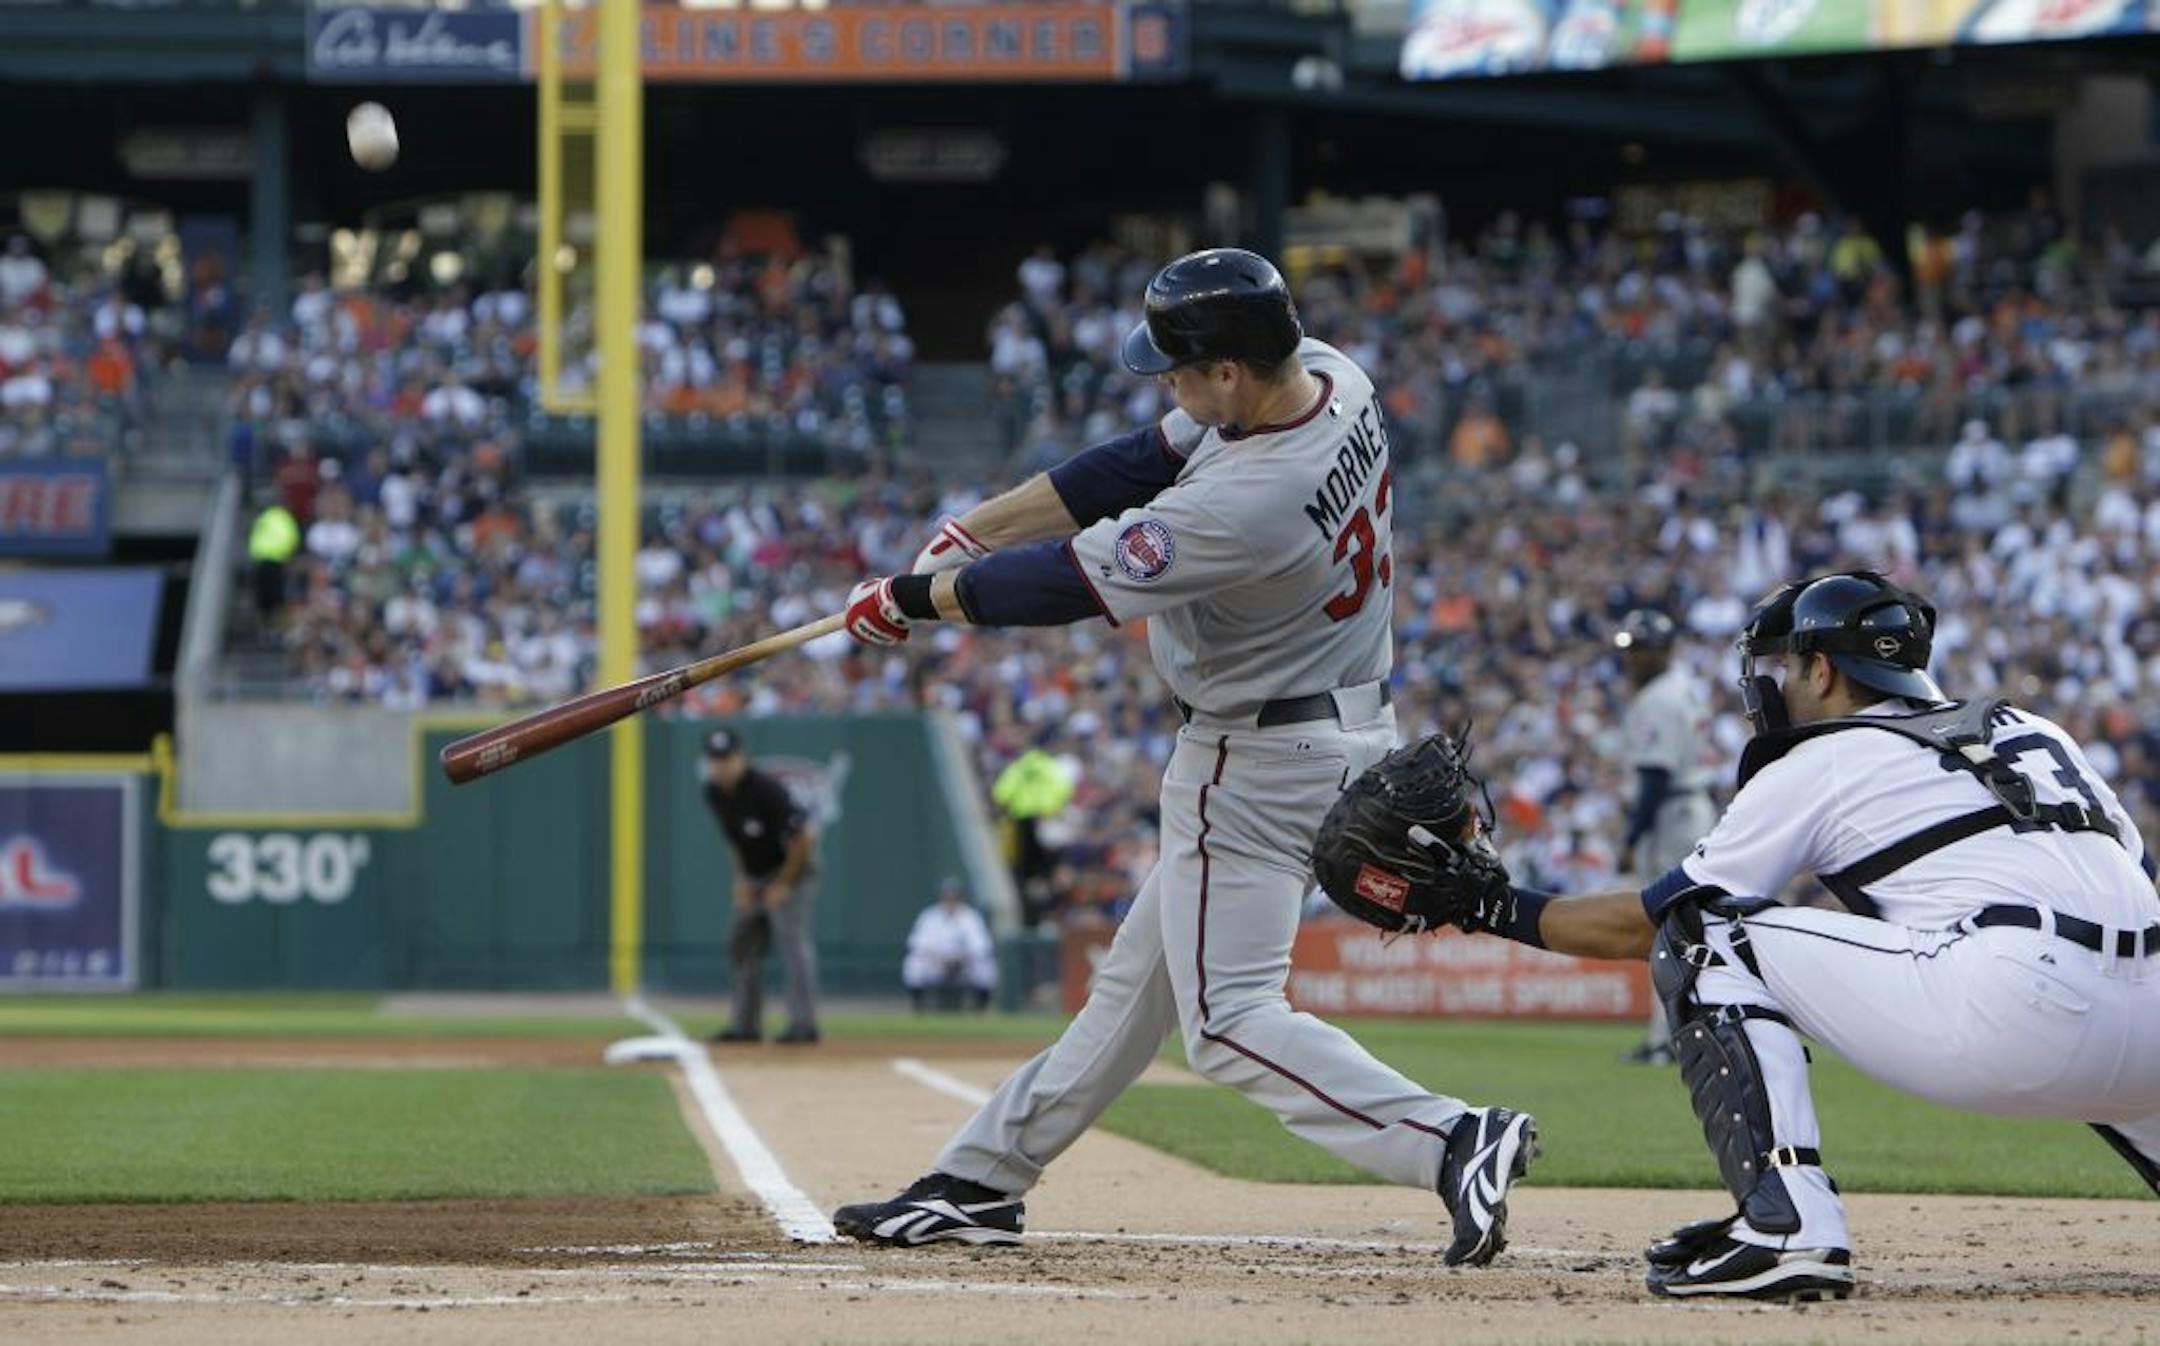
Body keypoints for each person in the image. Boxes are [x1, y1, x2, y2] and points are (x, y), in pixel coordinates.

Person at [829, 248, 1539, 1265]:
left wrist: (911, 600)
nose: (1166, 384)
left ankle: (1451, 1138)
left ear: (1230, 373)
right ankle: (979, 1180)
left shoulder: (1247, 500)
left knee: (1228, 1019)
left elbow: (1066, 584)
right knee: (1132, 996)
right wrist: (969, 531)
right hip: (1338, 729)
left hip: (1253, 759)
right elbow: (1132, 462)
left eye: (1178, 370)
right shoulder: (1331, 373)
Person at [1458, 570, 2160, 1301]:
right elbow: (2137, 878)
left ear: (1821, 670)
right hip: (2150, 1028)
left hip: (2016, 1006)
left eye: (1788, 666)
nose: (1780, 684)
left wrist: (1489, 906)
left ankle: (1788, 1226)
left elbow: (1650, 921)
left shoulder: (1824, 757)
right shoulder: (2032, 730)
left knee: (1705, 930)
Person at [1612, 608, 1716, 1064]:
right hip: (1689, 809)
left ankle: (1667, 1040)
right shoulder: (1682, 689)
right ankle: (1676, 1034)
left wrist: (1630, 838)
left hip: (1672, 816)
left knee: (1668, 932)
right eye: (1630, 648)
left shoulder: (1659, 697)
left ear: (1667, 650)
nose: (1634, 657)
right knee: (1683, 931)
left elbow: (1654, 777)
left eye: (1643, 648)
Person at [701, 728, 821, 1045]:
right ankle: (745, 1025)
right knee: (742, 942)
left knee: (791, 943)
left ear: (741, 757)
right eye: (715, 760)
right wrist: (741, 880)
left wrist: (783, 885)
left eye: (727, 758)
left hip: (793, 868)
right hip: (755, 872)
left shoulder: (765, 790)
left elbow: (804, 839)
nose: (721, 766)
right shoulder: (714, 792)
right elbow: (736, 842)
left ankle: (803, 1024)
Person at [903, 877, 997, 1012]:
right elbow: (917, 945)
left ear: (960, 898)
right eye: (947, 896)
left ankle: (981, 1008)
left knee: (986, 966)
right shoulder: (929, 916)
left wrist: (961, 960)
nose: (950, 900)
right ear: (941, 897)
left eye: (954, 897)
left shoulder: (970, 916)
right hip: (936, 964)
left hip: (964, 965)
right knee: (913, 964)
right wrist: (939, 960)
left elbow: (981, 947)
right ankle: (919, 1006)